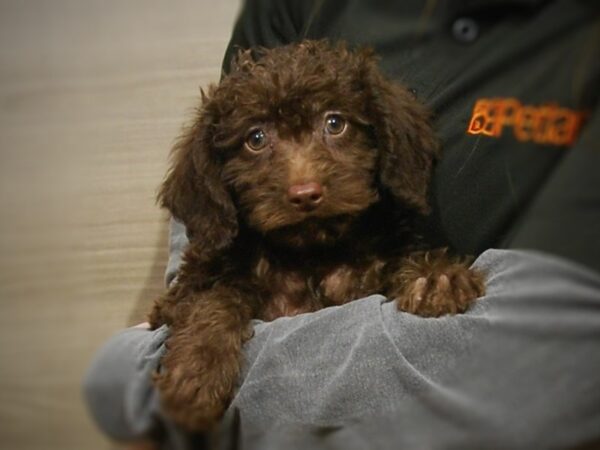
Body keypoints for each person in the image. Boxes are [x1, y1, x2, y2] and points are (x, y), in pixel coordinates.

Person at [83, 1, 600, 448]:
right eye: (258, 141)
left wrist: (134, 374)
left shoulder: (392, 246)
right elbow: (184, 312)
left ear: (385, 142)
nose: (303, 182)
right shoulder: (230, 263)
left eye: (335, 125)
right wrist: (204, 331)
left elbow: (539, 372)